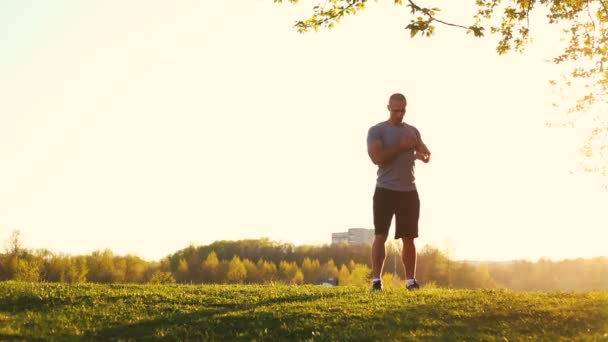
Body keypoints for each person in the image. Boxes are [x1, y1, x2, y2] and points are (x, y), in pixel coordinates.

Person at [366, 93, 431, 291]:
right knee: (380, 235)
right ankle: (377, 281)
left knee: (409, 238)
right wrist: (401, 147)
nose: (399, 114)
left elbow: (426, 153)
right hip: (385, 190)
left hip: (409, 192)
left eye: (402, 110)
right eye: (395, 110)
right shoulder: (377, 131)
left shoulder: (412, 131)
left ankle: (410, 281)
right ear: (388, 108)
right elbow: (377, 158)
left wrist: (422, 156)